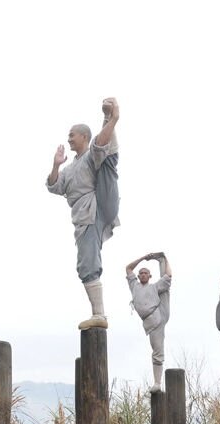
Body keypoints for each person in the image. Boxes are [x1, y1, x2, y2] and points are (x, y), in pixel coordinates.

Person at [46, 98, 120, 330]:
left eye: (72, 135)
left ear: (84, 137)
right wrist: (56, 165)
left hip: (93, 208)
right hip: (79, 215)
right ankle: (98, 314)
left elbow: (101, 145)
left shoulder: (91, 156)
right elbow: (54, 186)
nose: (68, 139)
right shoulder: (70, 168)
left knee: (87, 263)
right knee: (84, 262)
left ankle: (99, 314)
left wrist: (111, 119)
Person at [125, 252, 172, 393]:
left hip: (158, 315)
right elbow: (128, 268)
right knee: (155, 349)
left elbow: (168, 276)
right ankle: (161, 259)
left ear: (150, 276)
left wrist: (165, 258)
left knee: (158, 351)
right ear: (139, 276)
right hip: (149, 321)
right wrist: (142, 258)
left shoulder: (154, 287)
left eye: (146, 273)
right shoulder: (134, 286)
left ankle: (157, 382)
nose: (143, 274)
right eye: (141, 273)